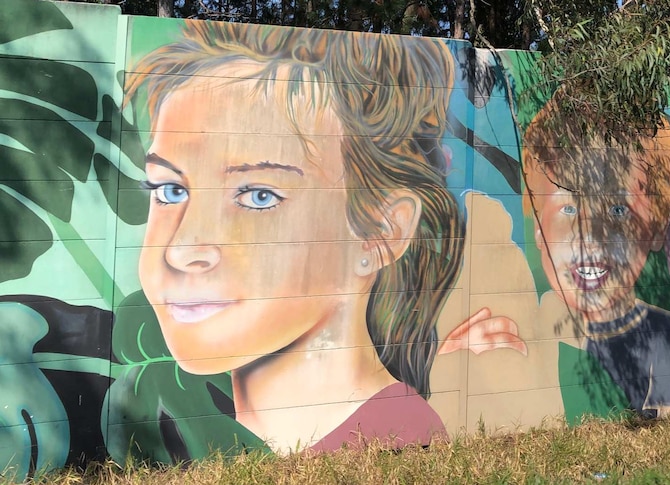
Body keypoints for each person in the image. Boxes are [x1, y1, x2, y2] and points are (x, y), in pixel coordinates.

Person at [125, 21, 464, 453]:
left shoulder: (398, 449)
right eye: (170, 190)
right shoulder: (227, 441)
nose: (182, 249)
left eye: (259, 196)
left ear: (381, 231)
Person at [520, 94, 670, 417]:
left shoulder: (664, 334)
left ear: (657, 225)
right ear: (537, 227)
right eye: (568, 208)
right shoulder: (521, 328)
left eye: (617, 209)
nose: (592, 236)